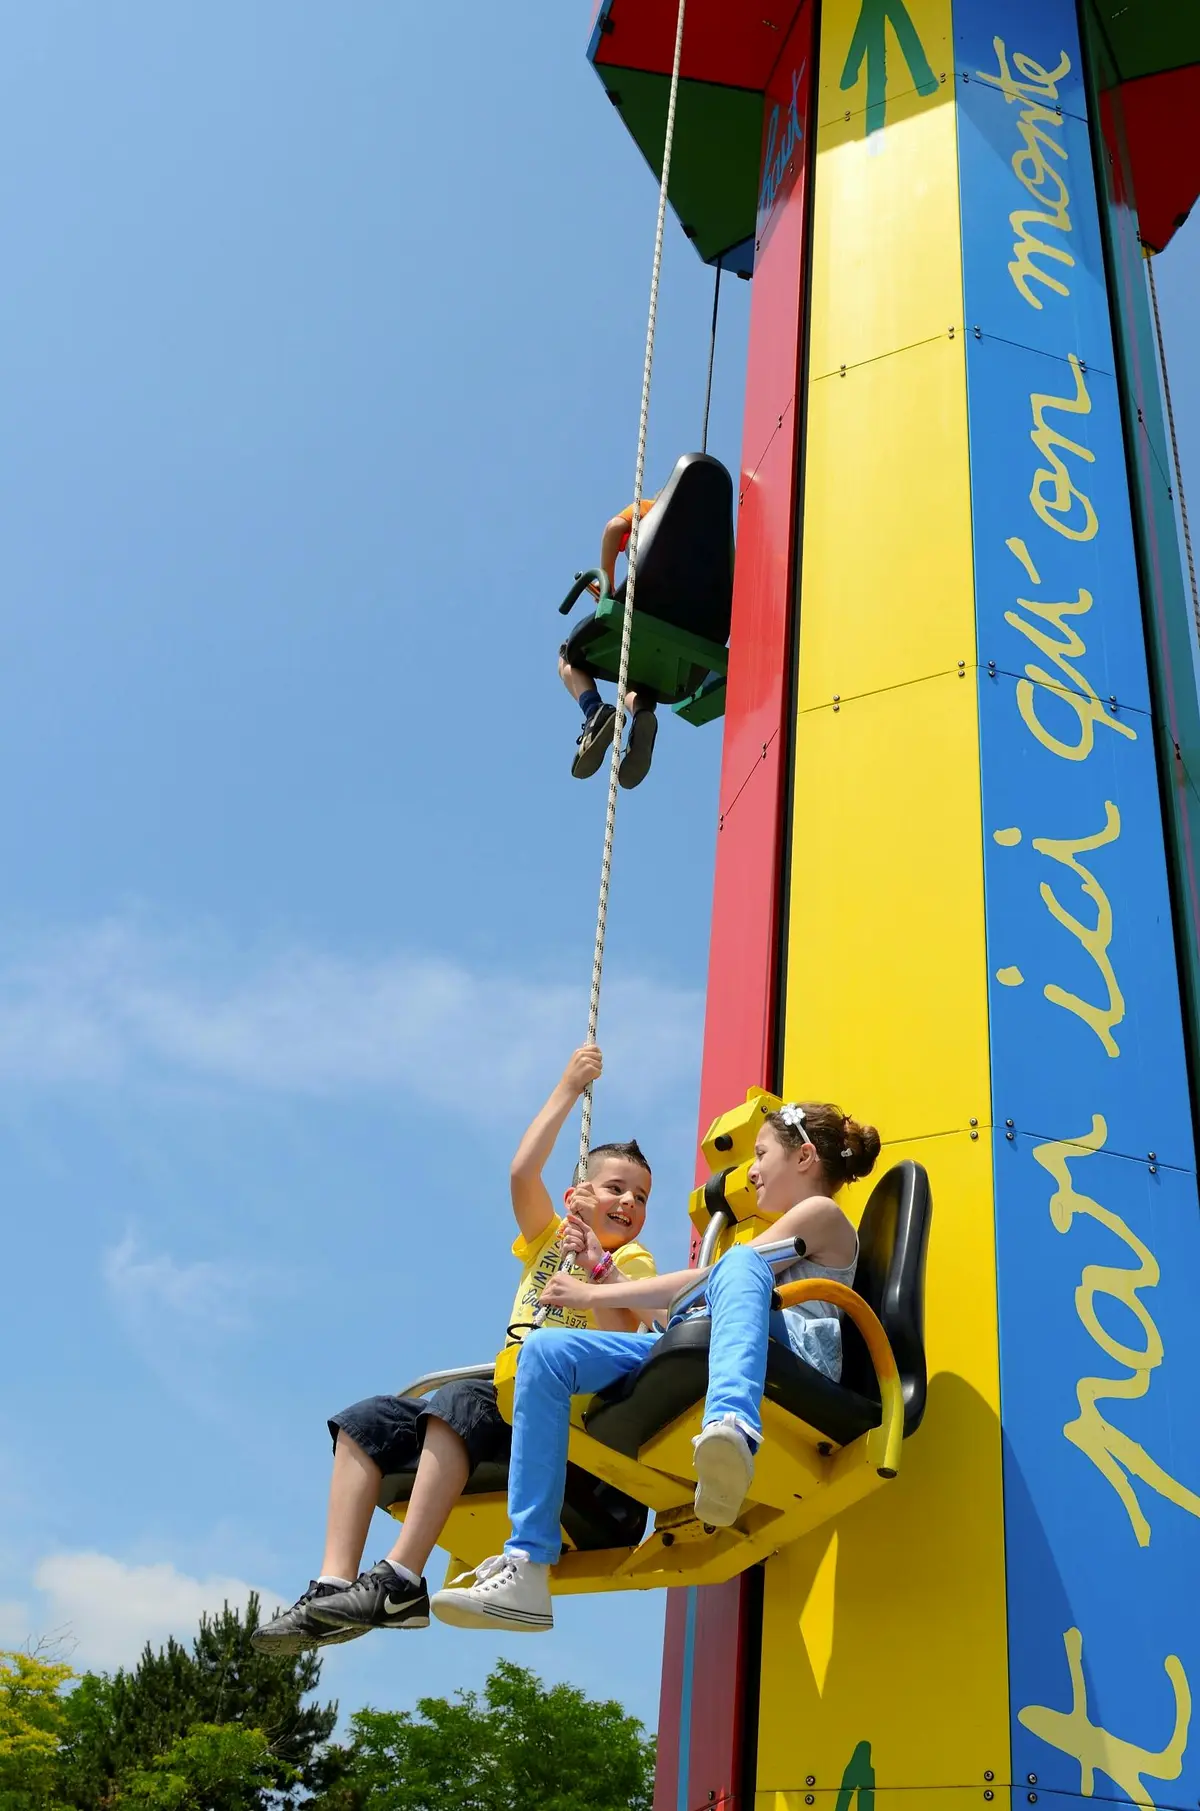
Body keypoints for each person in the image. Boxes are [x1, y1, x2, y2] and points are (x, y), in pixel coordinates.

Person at [251, 1045, 656, 1655]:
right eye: (616, 1189)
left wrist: (593, 1265)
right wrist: (568, 1089)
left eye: (642, 1197)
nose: (629, 1203)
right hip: (505, 1403)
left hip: (560, 1423)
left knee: (459, 1397)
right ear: (579, 1193)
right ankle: (332, 1583)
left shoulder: (630, 1262)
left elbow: (630, 1335)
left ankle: (401, 1578)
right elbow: (523, 1172)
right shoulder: (547, 1238)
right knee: (367, 1420)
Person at [428, 1100, 879, 1633]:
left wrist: (589, 1291)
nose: (751, 1169)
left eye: (761, 1154)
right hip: (717, 1341)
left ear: (803, 1158)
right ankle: (528, 1563)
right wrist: (601, 1270)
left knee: (735, 1265)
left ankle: (731, 1427)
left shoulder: (821, 1214)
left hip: (794, 1354)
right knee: (546, 1355)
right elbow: (681, 1310)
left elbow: (710, 1282)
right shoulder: (764, 1244)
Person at [560, 497, 659, 789]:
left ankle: (595, 712)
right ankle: (642, 713)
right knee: (632, 674)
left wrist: (609, 589)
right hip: (693, 624)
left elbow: (615, 527)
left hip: (645, 607)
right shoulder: (717, 535)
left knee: (568, 656)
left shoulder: (659, 505)